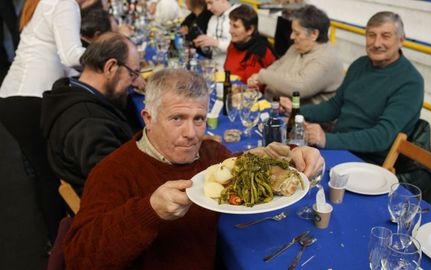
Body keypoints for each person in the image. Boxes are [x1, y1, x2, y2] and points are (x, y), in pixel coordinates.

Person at [63, 68, 324, 269]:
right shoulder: (114, 172)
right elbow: (79, 259)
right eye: (177, 118)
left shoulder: (210, 153)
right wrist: (148, 211)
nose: (191, 134)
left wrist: (293, 157)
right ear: (148, 119)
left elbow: (246, 168)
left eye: (198, 119)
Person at [282, 11, 424, 166]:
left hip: (368, 161)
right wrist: (295, 111)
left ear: (401, 40)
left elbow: (382, 137)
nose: (376, 43)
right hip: (339, 148)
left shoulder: (410, 82)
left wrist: (326, 139)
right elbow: (334, 106)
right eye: (371, 35)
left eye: (386, 36)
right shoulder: (359, 65)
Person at [0, 0, 88, 242]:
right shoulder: (64, 3)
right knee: (50, 174)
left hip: (14, 96)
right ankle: (59, 242)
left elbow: (62, 61)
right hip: (28, 99)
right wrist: (110, 51)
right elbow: (71, 57)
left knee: (44, 172)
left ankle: (55, 239)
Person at [41, 32, 145, 196]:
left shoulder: (70, 90)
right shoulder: (90, 126)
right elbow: (121, 187)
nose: (134, 82)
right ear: (110, 67)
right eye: (132, 74)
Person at [247, 5, 344, 105]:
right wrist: (257, 78)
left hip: (303, 118)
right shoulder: (298, 47)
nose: (291, 36)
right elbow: (278, 64)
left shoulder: (327, 59)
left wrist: (263, 76)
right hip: (274, 105)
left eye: (297, 33)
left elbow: (299, 87)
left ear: (314, 34)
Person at [223, 4, 277, 84]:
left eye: (235, 26)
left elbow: (251, 89)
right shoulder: (234, 43)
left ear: (250, 30)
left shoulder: (258, 53)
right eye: (230, 25)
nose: (230, 31)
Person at [194, 0, 240, 66]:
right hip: (214, 66)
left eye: (210, 3)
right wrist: (203, 44)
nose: (208, 8)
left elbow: (240, 48)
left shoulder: (240, 16)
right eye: (207, 4)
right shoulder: (212, 19)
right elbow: (210, 50)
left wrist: (216, 43)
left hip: (233, 68)